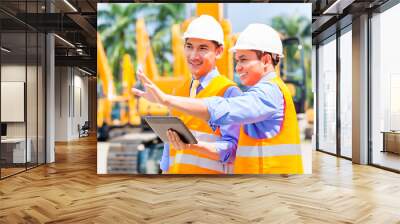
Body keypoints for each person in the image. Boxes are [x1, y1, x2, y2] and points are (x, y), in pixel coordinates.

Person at [134, 23, 303, 174]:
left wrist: (166, 100)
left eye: (243, 60)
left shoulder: (268, 93)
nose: (238, 68)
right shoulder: (181, 89)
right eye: (237, 60)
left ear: (266, 60)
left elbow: (225, 110)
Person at [155, 15, 241, 174]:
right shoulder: (178, 91)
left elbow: (233, 151)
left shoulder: (229, 92)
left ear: (219, 51)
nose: (193, 56)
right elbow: (169, 150)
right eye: (189, 46)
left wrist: (193, 145)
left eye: (202, 48)